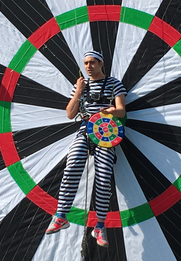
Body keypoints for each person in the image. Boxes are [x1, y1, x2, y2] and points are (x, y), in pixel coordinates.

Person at [45, 50, 127, 248]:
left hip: (106, 131)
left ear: (101, 64)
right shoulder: (81, 85)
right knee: (72, 165)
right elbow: (69, 113)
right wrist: (79, 90)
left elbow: (122, 110)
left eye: (92, 63)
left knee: (104, 175)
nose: (88, 66)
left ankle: (99, 225)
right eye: (86, 63)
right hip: (85, 128)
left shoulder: (114, 83)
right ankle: (61, 214)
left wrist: (108, 111)